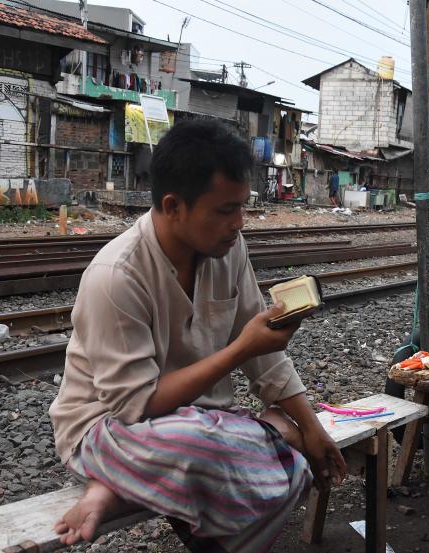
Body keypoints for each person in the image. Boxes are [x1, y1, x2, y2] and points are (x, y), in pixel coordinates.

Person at [49, 119, 347, 552]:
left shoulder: (228, 251)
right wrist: (240, 349)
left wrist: (312, 425)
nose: (239, 223)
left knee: (287, 439)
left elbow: (264, 360)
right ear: (173, 206)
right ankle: (115, 488)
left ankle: (121, 490)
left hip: (199, 423)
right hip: (110, 429)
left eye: (243, 207)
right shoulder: (115, 276)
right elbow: (137, 406)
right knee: (212, 444)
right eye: (225, 210)